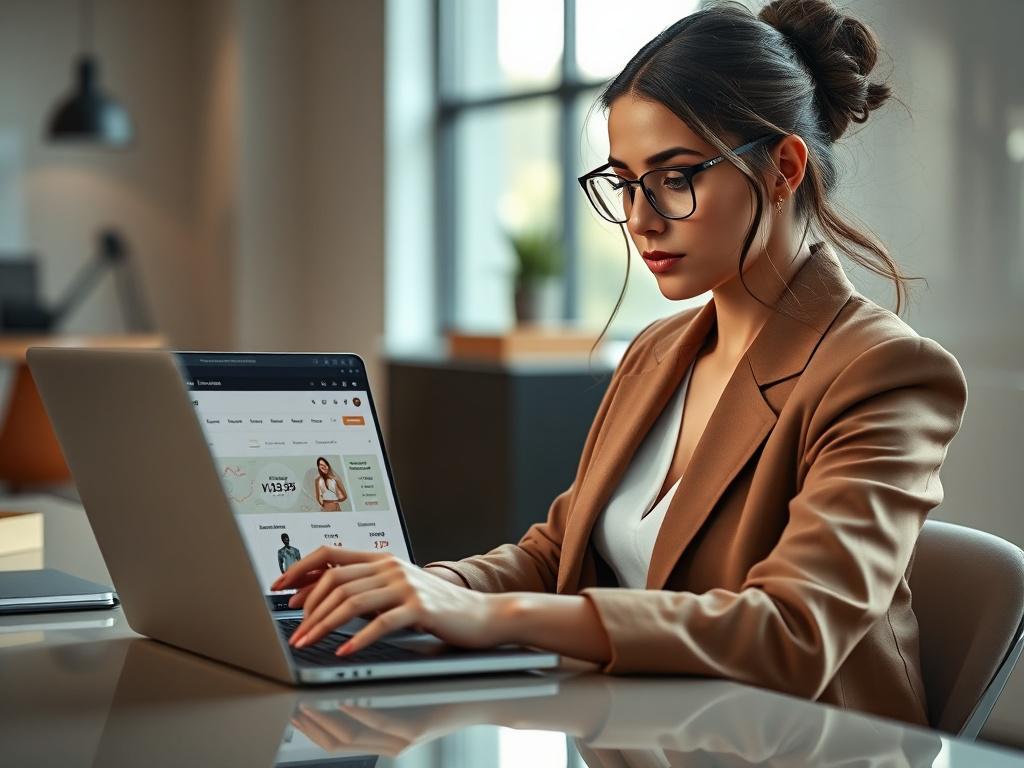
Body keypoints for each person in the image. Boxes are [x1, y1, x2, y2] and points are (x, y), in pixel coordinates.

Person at [271, 0, 968, 728]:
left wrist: (496, 615)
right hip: (644, 735)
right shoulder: (656, 352)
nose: (640, 218)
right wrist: (420, 586)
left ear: (784, 168)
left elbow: (792, 635)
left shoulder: (885, 372)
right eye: (625, 182)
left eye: (674, 177)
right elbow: (555, 555)